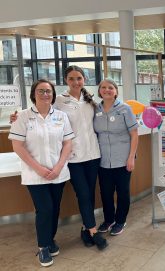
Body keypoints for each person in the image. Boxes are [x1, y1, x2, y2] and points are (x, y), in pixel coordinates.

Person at [10, 66, 108, 250]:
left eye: (79, 78)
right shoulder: (60, 101)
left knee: (90, 193)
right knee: (83, 194)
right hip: (72, 157)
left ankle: (86, 228)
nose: (76, 82)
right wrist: (16, 116)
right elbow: (41, 109)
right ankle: (93, 230)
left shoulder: (90, 100)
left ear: (84, 79)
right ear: (66, 80)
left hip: (93, 154)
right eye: (71, 79)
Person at [8, 79, 74, 267]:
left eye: (48, 91)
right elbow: (18, 146)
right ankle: (43, 247)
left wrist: (59, 166)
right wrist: (39, 169)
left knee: (54, 209)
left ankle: (50, 239)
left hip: (57, 172)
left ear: (53, 94)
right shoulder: (22, 116)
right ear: (33, 94)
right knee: (44, 209)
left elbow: (68, 142)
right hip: (35, 174)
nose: (45, 94)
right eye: (41, 91)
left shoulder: (61, 116)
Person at [93, 79, 139, 235]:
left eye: (110, 87)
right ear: (99, 91)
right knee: (105, 192)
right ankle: (108, 220)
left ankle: (120, 221)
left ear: (115, 91)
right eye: (103, 88)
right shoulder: (95, 109)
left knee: (122, 192)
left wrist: (131, 157)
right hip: (103, 159)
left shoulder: (125, 109)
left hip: (123, 158)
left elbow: (134, 134)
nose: (107, 90)